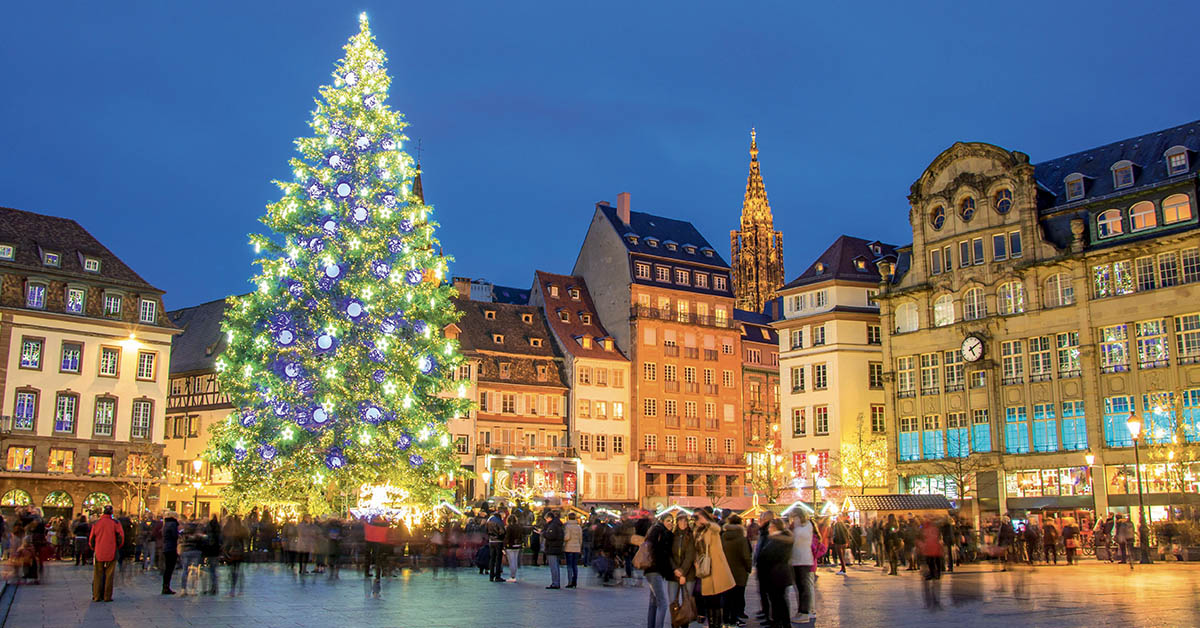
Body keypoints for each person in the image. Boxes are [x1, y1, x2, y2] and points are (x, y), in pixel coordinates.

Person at [694, 508, 735, 628]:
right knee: (708, 600)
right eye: (694, 517)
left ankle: (717, 624)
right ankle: (712, 624)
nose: (696, 520)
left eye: (698, 517)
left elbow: (717, 528)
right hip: (704, 567)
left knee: (715, 599)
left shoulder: (712, 528)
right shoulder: (696, 531)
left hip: (716, 566)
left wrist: (706, 521)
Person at [756, 519, 794, 628]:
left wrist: (762, 559)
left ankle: (781, 622)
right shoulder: (777, 539)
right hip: (777, 574)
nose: (769, 529)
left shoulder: (779, 540)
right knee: (778, 600)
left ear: (776, 527)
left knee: (778, 600)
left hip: (777, 574)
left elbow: (771, 556)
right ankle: (780, 621)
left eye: (771, 527)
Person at [641, 513, 677, 628]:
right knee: (663, 603)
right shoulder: (661, 532)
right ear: (662, 521)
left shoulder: (655, 530)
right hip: (655, 570)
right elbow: (660, 552)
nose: (670, 523)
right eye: (668, 520)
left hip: (651, 570)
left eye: (672, 521)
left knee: (653, 602)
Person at [88, 505, 125, 602]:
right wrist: (118, 546)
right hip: (111, 551)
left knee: (97, 574)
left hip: (99, 551)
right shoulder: (115, 523)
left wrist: (94, 548)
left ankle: (96, 595)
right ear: (111, 512)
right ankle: (107, 596)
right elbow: (121, 537)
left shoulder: (97, 523)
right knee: (109, 575)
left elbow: (91, 538)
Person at [721, 514, 752, 627]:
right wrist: (749, 568)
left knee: (726, 597)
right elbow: (746, 556)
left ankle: (725, 620)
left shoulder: (723, 536)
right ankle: (734, 620)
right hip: (739, 572)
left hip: (725, 571)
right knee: (736, 597)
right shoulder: (741, 538)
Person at [789, 511, 817, 621]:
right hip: (797, 559)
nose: (792, 520)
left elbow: (796, 538)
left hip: (803, 560)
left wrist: (791, 529)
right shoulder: (800, 527)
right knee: (800, 588)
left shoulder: (805, 527)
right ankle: (801, 611)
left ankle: (805, 612)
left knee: (803, 587)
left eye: (794, 517)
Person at [753, 510, 775, 625]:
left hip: (767, 567)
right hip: (762, 566)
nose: (759, 520)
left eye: (761, 518)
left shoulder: (768, 531)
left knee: (767, 594)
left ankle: (770, 617)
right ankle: (766, 613)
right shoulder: (763, 531)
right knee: (763, 592)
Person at [222, 515, 248, 596]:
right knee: (239, 570)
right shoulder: (243, 529)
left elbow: (227, 541)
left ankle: (232, 589)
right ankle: (240, 590)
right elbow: (247, 538)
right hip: (240, 552)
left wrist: (224, 549)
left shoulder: (231, 530)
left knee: (232, 571)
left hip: (232, 552)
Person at [542, 511, 565, 589]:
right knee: (556, 566)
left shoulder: (553, 525)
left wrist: (543, 533)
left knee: (553, 566)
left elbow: (551, 536)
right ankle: (556, 582)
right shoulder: (558, 525)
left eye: (546, 519)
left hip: (552, 548)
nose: (546, 520)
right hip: (557, 547)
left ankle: (555, 583)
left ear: (549, 518)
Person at [161, 512, 179, 594]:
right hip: (171, 547)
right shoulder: (173, 524)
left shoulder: (166, 524)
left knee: (167, 568)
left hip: (166, 547)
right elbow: (175, 535)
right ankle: (166, 587)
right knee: (170, 568)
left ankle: (165, 586)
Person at [563, 512, 582, 589]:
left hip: (569, 548)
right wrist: (580, 547)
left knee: (569, 565)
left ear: (568, 518)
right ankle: (575, 581)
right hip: (577, 548)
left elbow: (567, 537)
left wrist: (563, 538)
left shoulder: (568, 526)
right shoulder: (579, 527)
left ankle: (570, 582)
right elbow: (581, 539)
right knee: (575, 565)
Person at [486, 510, 506, 582]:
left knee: (492, 559)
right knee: (498, 559)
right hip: (498, 541)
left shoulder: (489, 519)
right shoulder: (499, 521)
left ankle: (491, 576)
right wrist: (502, 537)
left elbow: (486, 530)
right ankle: (497, 576)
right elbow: (502, 532)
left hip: (491, 541)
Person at [503, 511, 523, 582]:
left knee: (511, 561)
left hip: (510, 546)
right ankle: (514, 575)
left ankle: (512, 576)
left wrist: (504, 546)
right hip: (517, 545)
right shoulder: (519, 527)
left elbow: (507, 537)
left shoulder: (508, 527)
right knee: (515, 560)